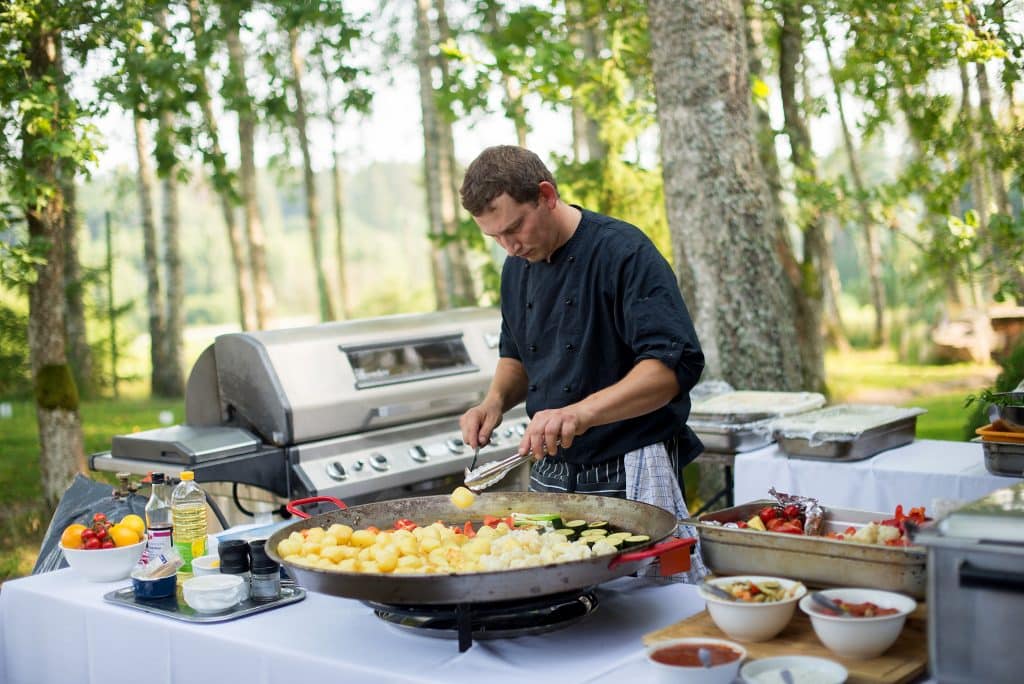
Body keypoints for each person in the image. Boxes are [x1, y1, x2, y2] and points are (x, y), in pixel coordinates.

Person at [458, 145, 705, 512]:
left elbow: (669, 370)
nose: (509, 247)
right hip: (550, 471)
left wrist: (579, 413)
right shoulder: (515, 268)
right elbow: (517, 355)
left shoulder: (624, 252)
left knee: (641, 571)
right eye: (495, 237)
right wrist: (493, 402)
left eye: (514, 227)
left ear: (547, 195)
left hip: (630, 462)